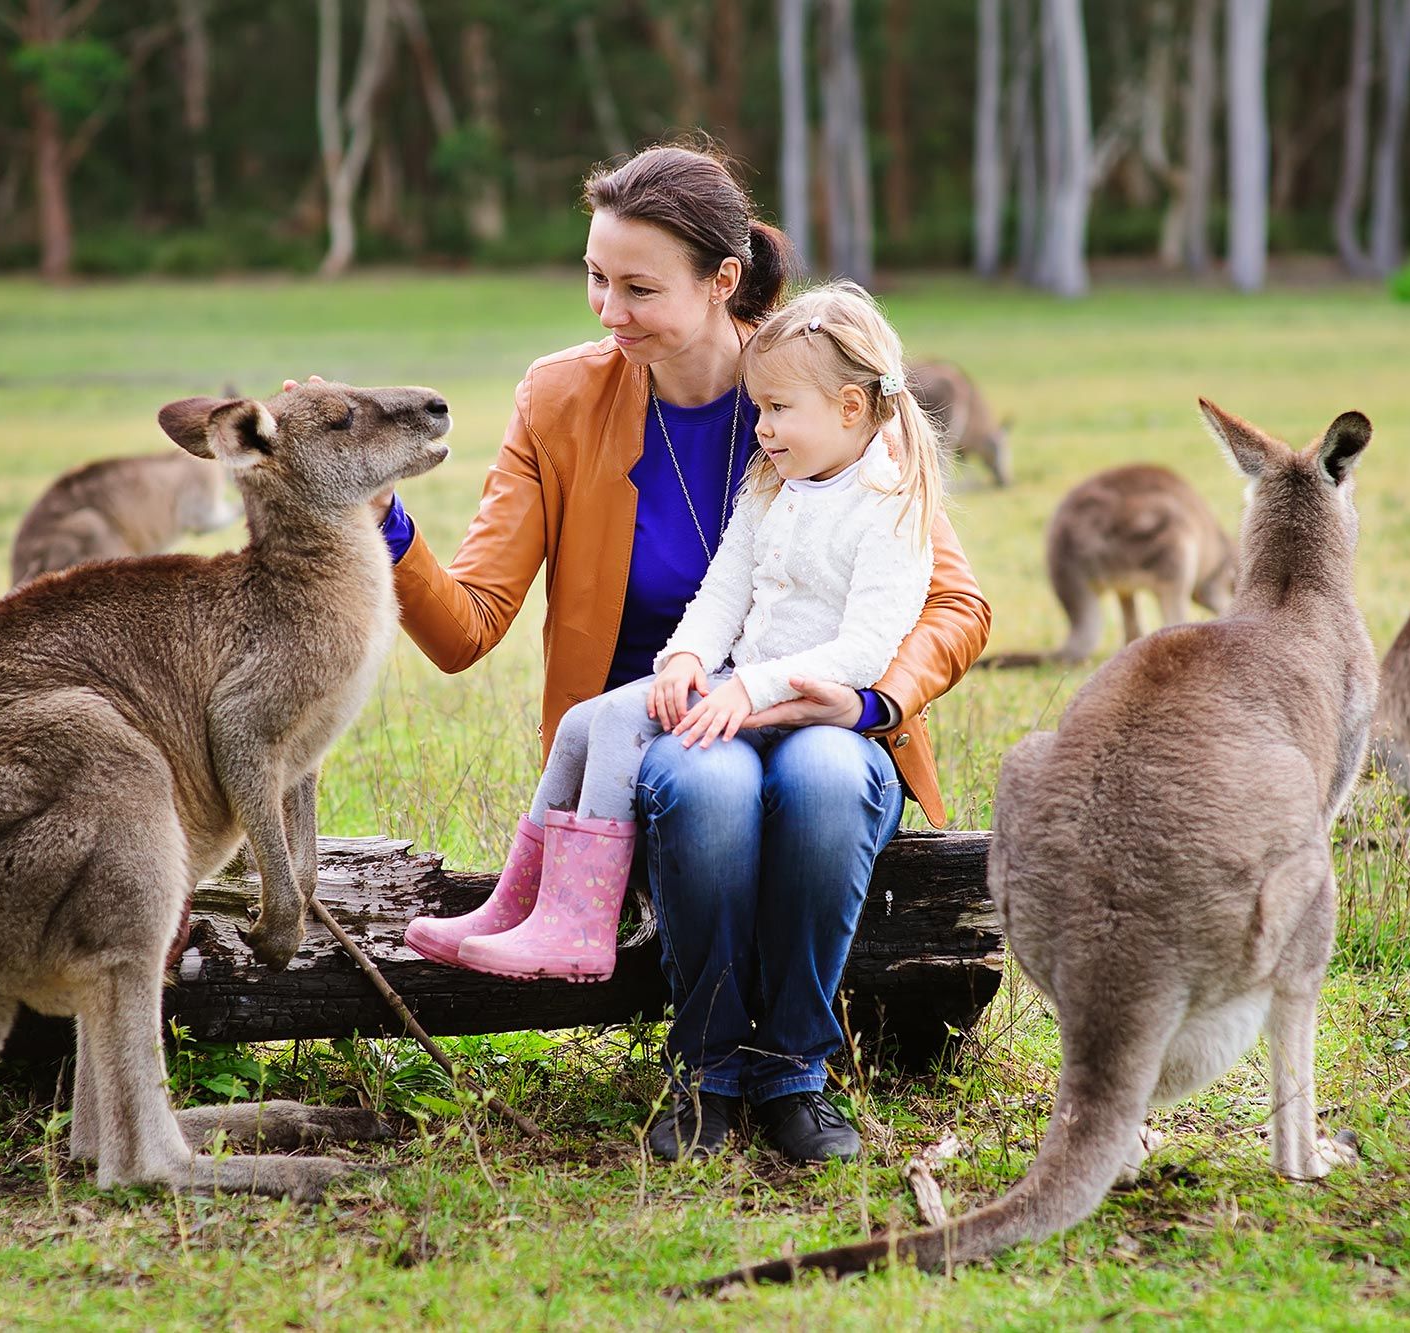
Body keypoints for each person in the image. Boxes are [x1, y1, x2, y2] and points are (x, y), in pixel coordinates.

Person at [371, 143, 991, 1163]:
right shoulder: (558, 401)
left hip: (821, 710)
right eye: (593, 277)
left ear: (721, 281)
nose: (605, 312)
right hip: (660, 731)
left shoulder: (821, 384)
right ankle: (704, 1071)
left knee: (829, 778)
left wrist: (869, 706)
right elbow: (465, 622)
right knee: (703, 791)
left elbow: (953, 603)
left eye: (637, 287)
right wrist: (384, 524)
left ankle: (794, 1073)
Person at [415, 277, 940, 1002]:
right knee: (577, 725)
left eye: (780, 411)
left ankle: (580, 922)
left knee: (630, 725)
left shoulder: (881, 490)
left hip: (791, 699)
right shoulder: (776, 479)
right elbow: (722, 591)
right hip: (732, 679)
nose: (763, 428)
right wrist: (687, 655)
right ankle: (520, 904)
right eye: (596, 276)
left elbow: (890, 635)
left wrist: (794, 693)